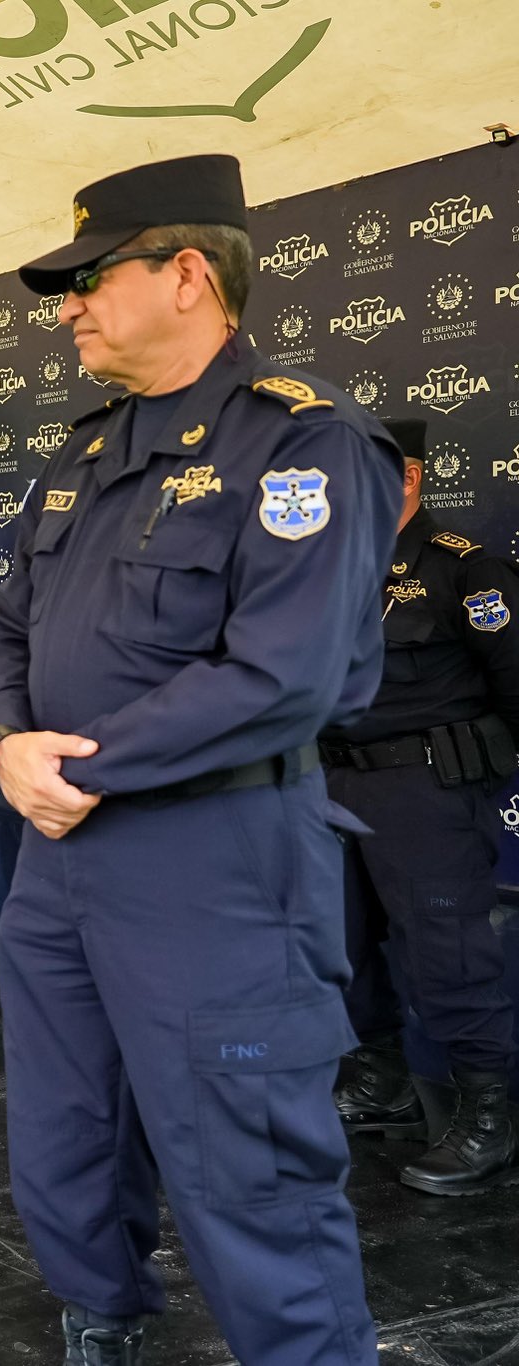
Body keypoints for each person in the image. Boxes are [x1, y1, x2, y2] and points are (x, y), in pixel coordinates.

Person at [0, 154, 399, 1365]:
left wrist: (71, 765)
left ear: (188, 274)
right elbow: (5, 626)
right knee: (63, 1143)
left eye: (91, 278)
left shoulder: (301, 441)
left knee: (246, 1171)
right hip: (55, 856)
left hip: (213, 859)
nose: (69, 307)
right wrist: (5, 745)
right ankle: (99, 1323)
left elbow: (285, 674)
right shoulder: (85, 448)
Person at [325, 416, 518, 1195]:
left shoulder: (464, 572)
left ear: (408, 478)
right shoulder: (326, 567)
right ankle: (383, 1083)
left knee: (451, 956)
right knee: (341, 947)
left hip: (427, 789)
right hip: (334, 785)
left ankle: (490, 1118)